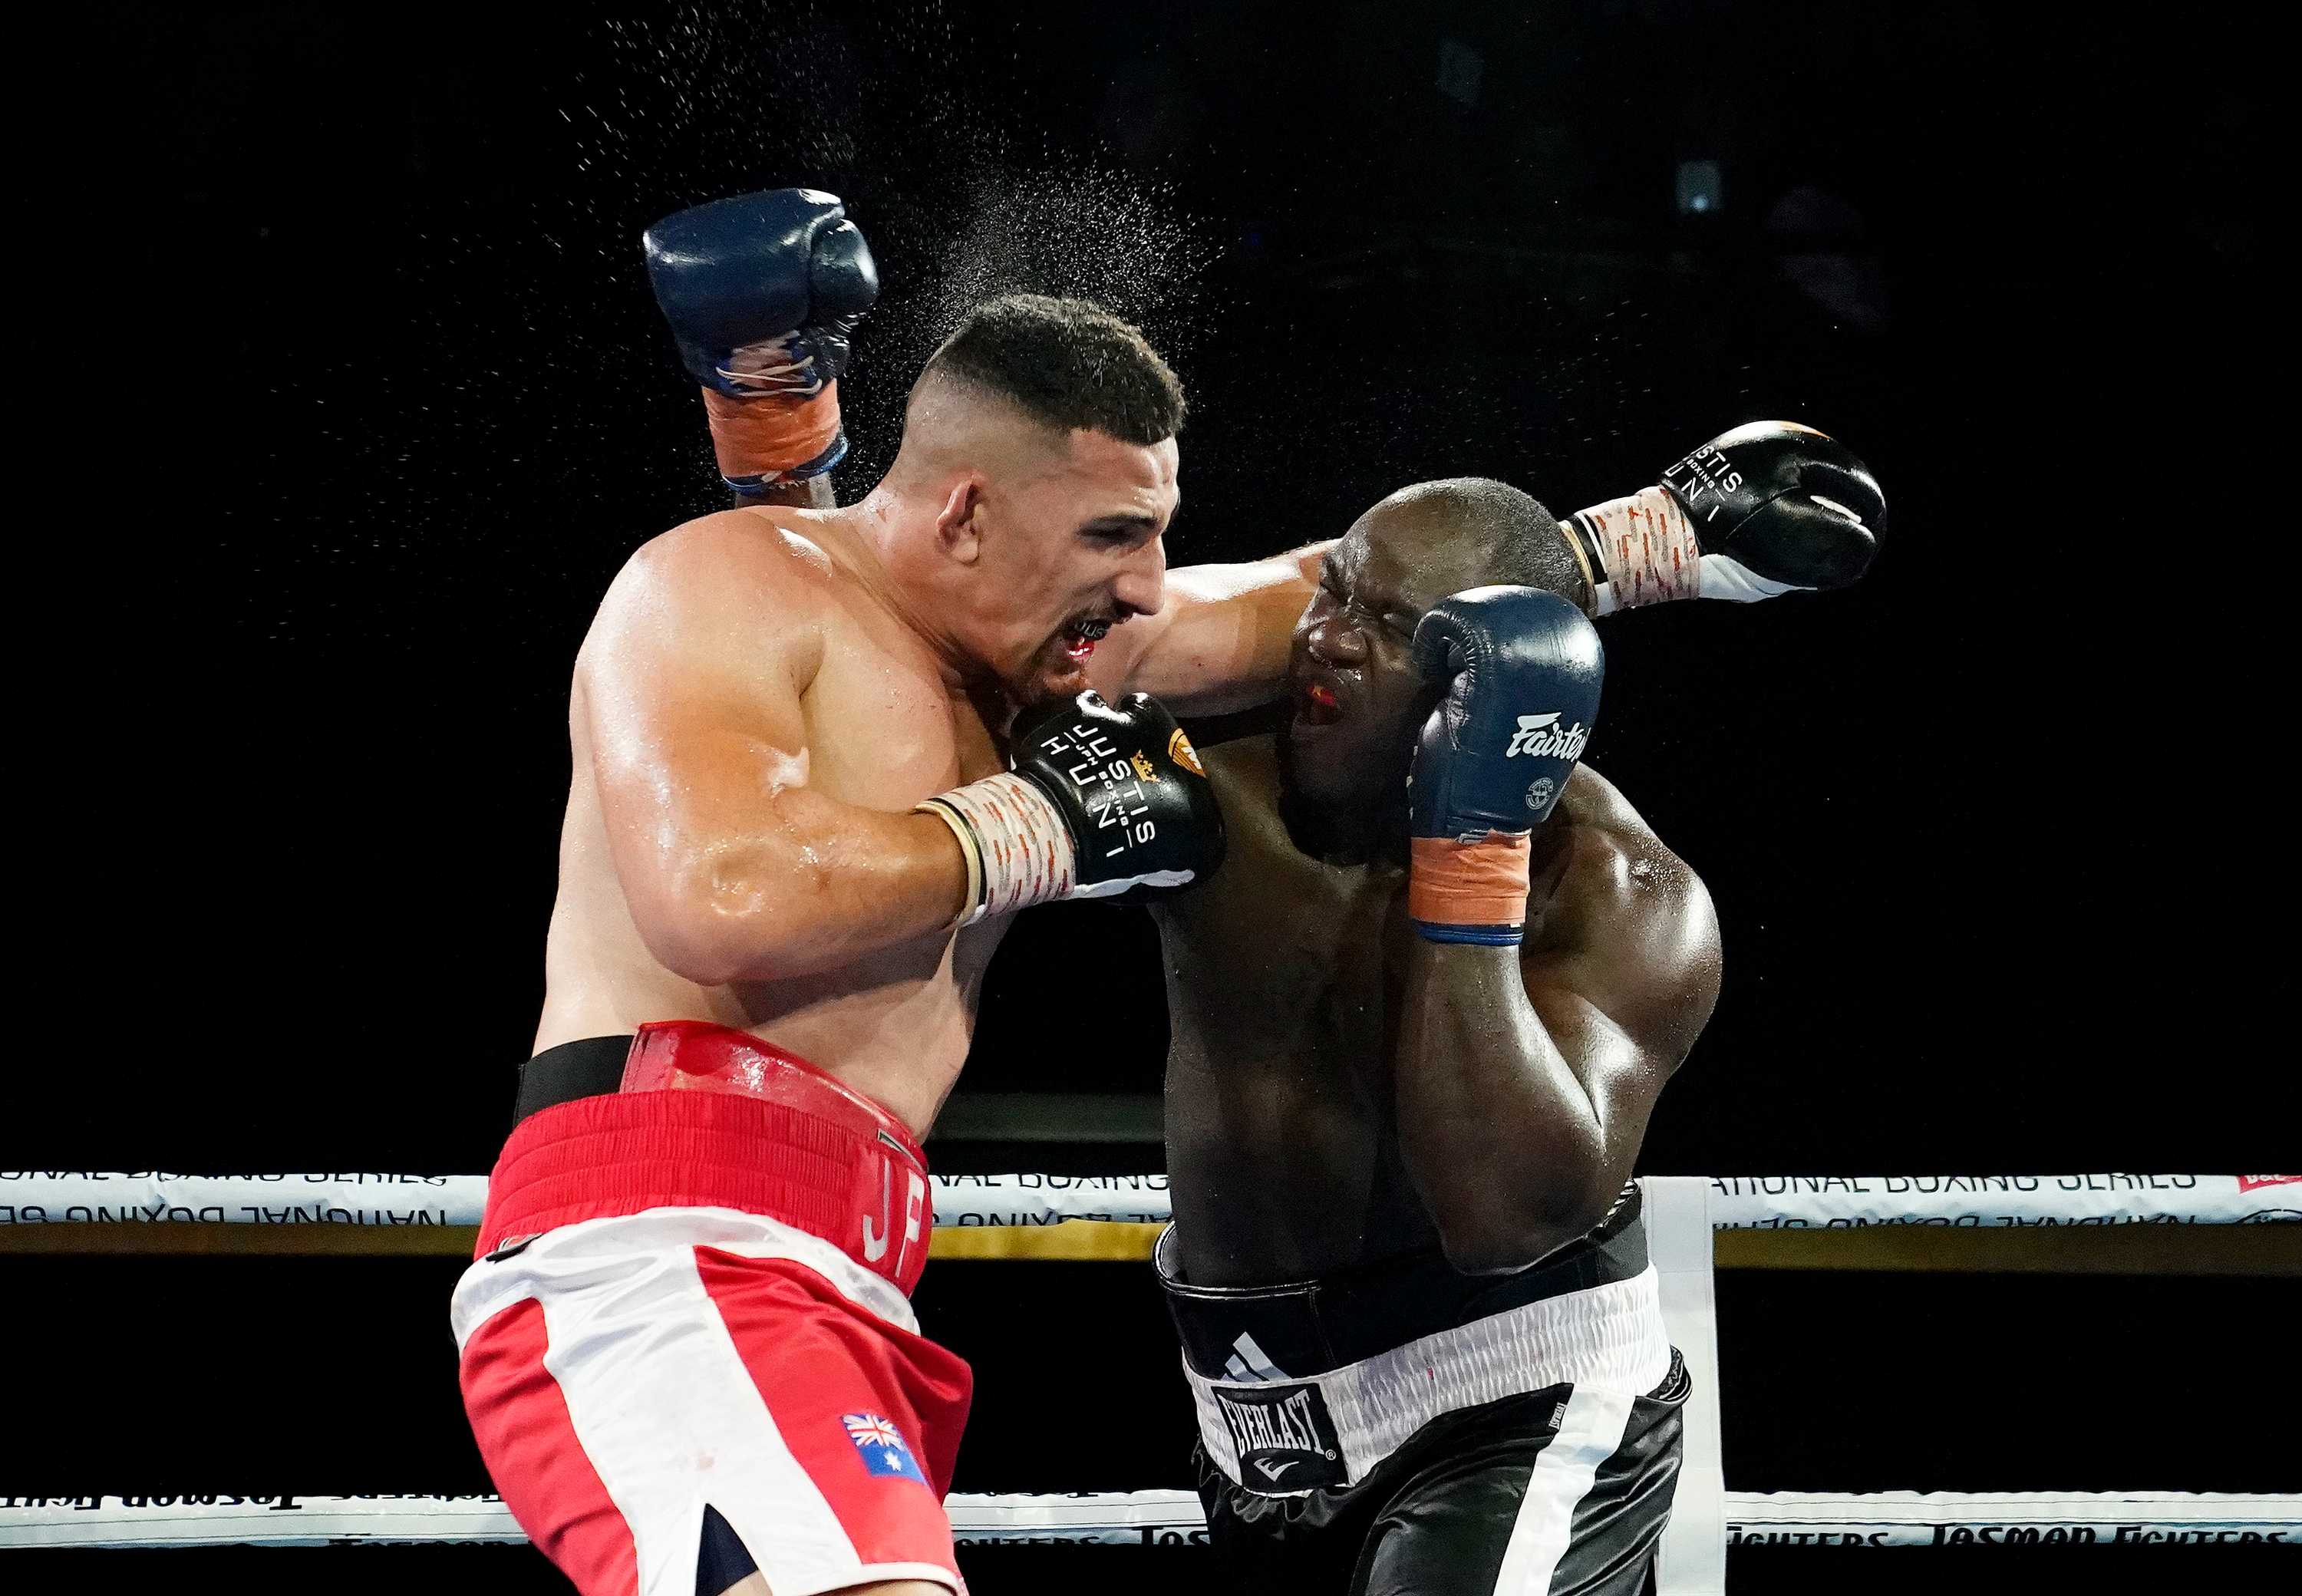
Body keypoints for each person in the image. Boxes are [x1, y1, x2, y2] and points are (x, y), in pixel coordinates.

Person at [450, 188, 1325, 1596]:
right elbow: (723, 893)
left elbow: (1322, 600)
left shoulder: (1028, 651)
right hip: (669, 1251)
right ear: (969, 511)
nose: (1151, 588)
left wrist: (1632, 546)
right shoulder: (724, 581)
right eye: (1114, 535)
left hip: (834, 1271)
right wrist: (1035, 827)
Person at [1149, 443, 1883, 1594]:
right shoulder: (1219, 784)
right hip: (1257, 1418)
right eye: (1332, 591)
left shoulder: (1620, 894)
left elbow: (1503, 1219)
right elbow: (1032, 655)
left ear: (1482, 691)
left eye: (1392, 627)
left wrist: (1472, 850)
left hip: (1517, 1393)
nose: (1326, 639)